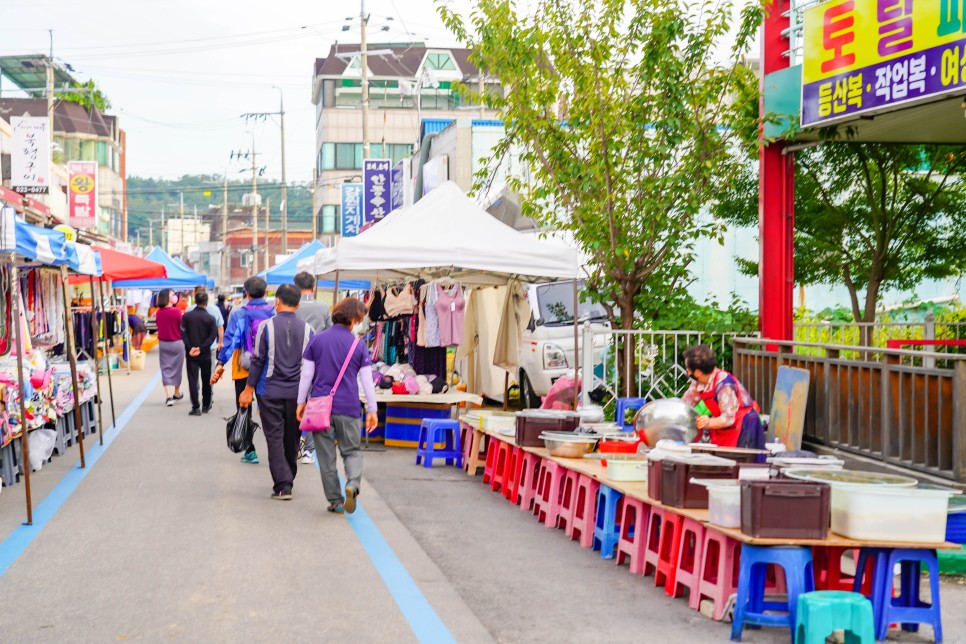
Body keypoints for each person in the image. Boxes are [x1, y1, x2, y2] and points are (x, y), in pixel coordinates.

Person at [298, 297, 378, 515]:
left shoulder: (317, 340)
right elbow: (367, 381)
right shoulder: (358, 345)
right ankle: (352, 483)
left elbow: (306, 376)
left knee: (326, 458)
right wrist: (373, 409)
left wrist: (300, 402)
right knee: (351, 451)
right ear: (353, 319)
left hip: (320, 408)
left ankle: (336, 501)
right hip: (349, 408)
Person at [239, 284, 313, 500]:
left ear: (277, 302)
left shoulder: (266, 326)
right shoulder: (309, 329)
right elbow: (311, 366)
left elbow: (258, 360)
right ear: (298, 305)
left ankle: (282, 484)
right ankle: (287, 477)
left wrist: (248, 389)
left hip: (268, 391)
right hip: (298, 394)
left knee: (274, 437)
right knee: (292, 437)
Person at [211, 276, 274, 464]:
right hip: (268, 367)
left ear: (246, 293)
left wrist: (220, 364)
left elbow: (230, 340)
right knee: (269, 408)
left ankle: (250, 450)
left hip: (243, 365)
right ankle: (276, 449)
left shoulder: (239, 312)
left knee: (244, 406)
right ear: (265, 293)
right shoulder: (273, 311)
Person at [681, 344, 763, 449]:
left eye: (688, 368)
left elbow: (728, 418)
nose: (687, 372)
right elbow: (685, 403)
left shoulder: (724, 385)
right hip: (725, 430)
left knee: (741, 464)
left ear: (697, 372)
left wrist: (708, 422)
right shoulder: (699, 383)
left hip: (744, 427)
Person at [293, 271, 332, 465]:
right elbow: (329, 333)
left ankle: (292, 444)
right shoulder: (324, 307)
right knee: (312, 403)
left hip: (292, 362)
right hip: (316, 362)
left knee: (295, 401)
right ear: (314, 287)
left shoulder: (293, 306)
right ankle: (308, 449)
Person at [181, 292, 217, 416]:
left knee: (192, 379)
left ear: (195, 301)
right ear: (206, 303)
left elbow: (183, 333)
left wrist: (190, 347)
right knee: (206, 379)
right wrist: (201, 348)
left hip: (191, 353)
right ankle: (206, 404)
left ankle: (196, 406)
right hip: (205, 353)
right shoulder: (210, 318)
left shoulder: (187, 316)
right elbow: (212, 336)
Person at [155, 289, 185, 406]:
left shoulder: (159, 313)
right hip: (177, 343)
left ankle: (168, 396)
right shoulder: (177, 312)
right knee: (177, 368)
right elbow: (182, 326)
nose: (175, 296)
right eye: (172, 295)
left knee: (165, 368)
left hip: (163, 343)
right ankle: (176, 393)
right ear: (167, 298)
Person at [187, 286, 225, 353]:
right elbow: (220, 327)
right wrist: (220, 342)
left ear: (195, 295)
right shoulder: (215, 309)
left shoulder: (189, 310)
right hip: (210, 346)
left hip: (193, 347)